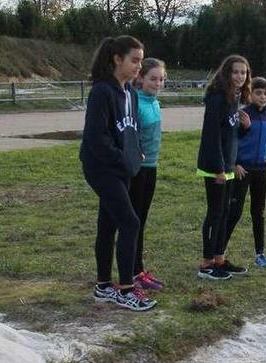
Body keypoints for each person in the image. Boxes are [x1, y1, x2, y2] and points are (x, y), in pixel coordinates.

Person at [80, 35, 156, 311]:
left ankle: (103, 286)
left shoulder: (131, 93)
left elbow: (130, 131)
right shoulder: (102, 92)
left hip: (122, 168)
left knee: (109, 223)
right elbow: (96, 138)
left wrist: (136, 154)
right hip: (101, 167)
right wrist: (123, 160)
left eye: (140, 60)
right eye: (134, 60)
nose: (139, 66)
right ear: (117, 59)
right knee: (130, 222)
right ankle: (125, 288)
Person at [196, 54, 252, 280]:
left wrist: (245, 128)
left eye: (243, 72)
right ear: (226, 73)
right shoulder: (217, 98)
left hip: (228, 164)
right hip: (214, 167)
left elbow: (230, 135)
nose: (239, 76)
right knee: (215, 213)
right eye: (235, 72)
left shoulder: (233, 98)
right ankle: (206, 264)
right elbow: (212, 137)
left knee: (225, 212)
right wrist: (219, 168)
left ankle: (219, 259)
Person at [227, 76, 266, 269]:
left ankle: (260, 253)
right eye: (258, 93)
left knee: (259, 212)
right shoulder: (242, 114)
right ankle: (219, 251)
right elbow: (232, 141)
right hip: (242, 170)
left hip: (260, 170)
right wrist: (235, 163)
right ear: (250, 94)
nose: (263, 96)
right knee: (235, 212)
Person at [130, 57, 166, 291]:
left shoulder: (155, 102)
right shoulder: (134, 101)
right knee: (133, 222)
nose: (158, 83)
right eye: (153, 78)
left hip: (152, 168)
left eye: (162, 79)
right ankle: (133, 272)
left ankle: (138, 269)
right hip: (137, 171)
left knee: (141, 221)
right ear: (141, 78)